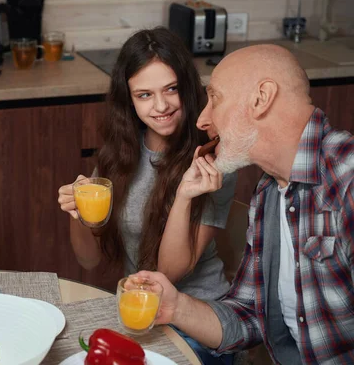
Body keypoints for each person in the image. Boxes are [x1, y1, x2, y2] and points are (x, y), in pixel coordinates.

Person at [132, 44, 354, 364]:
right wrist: (176, 307)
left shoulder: (347, 181)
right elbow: (251, 317)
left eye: (216, 99)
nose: (202, 119)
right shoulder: (268, 194)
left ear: (261, 98)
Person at [58, 28, 237, 365]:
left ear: (188, 86)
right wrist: (80, 216)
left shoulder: (214, 160)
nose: (161, 106)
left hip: (196, 323)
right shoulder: (119, 155)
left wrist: (183, 194)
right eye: (144, 95)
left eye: (171, 89)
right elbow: (88, 260)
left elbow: (169, 273)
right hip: (138, 317)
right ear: (129, 98)